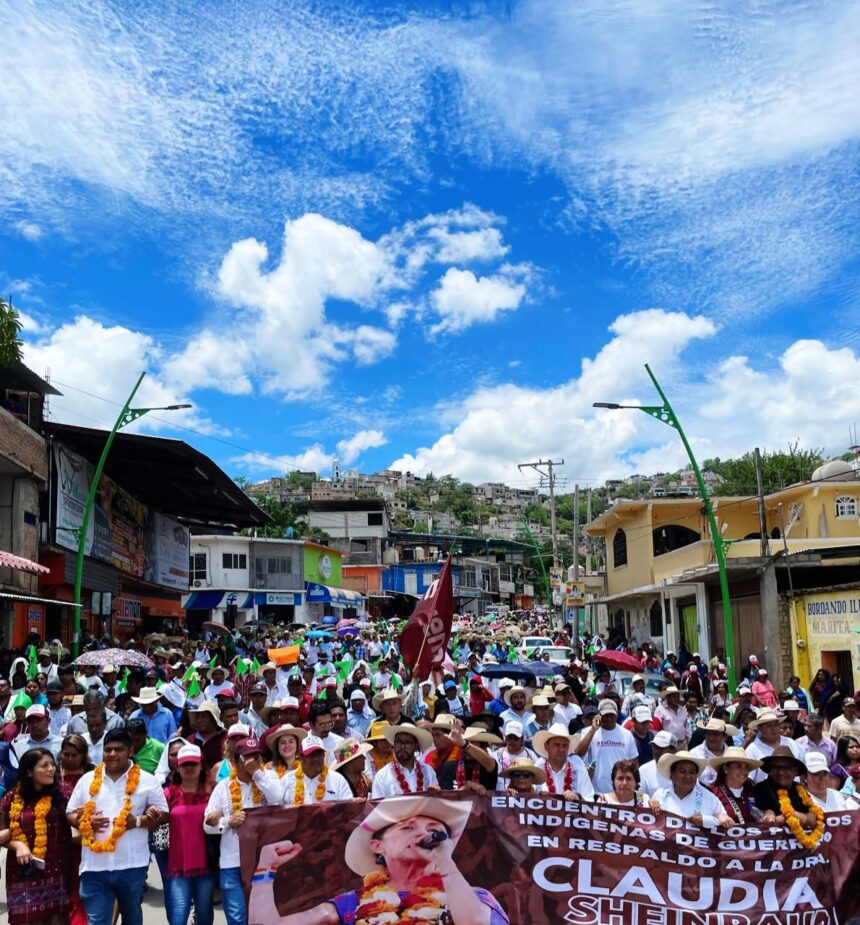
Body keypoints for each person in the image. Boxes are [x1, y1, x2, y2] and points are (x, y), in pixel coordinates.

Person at [249, 795, 509, 924]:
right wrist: (264, 871)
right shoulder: (351, 903)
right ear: (377, 846)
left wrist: (446, 863)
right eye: (407, 827)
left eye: (433, 830)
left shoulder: (474, 897)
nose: (423, 833)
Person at [66, 728, 169, 925]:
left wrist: (138, 821)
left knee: (131, 919)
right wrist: (83, 822)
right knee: (96, 921)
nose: (112, 754)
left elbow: (163, 814)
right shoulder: (87, 780)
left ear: (130, 751)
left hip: (131, 865)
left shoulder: (147, 780)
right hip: (93, 866)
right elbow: (69, 812)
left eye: (118, 750)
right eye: (108, 750)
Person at [0, 747, 73, 925]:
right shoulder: (12, 797)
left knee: (56, 920)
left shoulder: (63, 794)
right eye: (44, 765)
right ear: (29, 772)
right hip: (22, 872)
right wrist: (18, 846)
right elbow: (1, 834)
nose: (51, 769)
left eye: (52, 765)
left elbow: (78, 823)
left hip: (56, 871)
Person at [204, 735, 271, 925]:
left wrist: (258, 774)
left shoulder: (266, 779)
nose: (252, 762)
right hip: (232, 862)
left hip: (262, 862)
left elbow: (279, 798)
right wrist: (227, 821)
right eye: (247, 758)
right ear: (234, 761)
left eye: (256, 757)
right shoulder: (222, 788)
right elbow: (206, 826)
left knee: (261, 918)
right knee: (237, 918)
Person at [164, 744, 216, 925]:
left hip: (206, 864)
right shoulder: (168, 794)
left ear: (201, 765)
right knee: (178, 915)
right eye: (185, 764)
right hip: (178, 865)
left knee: (203, 914)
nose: (189, 768)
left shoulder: (213, 793)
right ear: (177, 767)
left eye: (193, 764)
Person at [752, 747, 823, 842]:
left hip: (800, 848)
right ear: (770, 769)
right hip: (772, 847)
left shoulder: (799, 789)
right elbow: (765, 821)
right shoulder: (761, 788)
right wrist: (791, 817)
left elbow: (813, 818)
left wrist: (803, 817)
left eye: (786, 768)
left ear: (795, 771)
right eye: (776, 767)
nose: (780, 772)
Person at [651, 751, 732, 828]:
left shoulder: (710, 798)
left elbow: (726, 822)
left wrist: (705, 821)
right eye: (682, 771)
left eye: (692, 772)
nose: (688, 776)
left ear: (696, 775)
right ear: (672, 774)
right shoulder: (660, 795)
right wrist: (650, 807)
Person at [577, 699, 638, 795]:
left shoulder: (627, 734)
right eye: (605, 716)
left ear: (617, 714)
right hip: (595, 792)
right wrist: (593, 730)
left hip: (620, 792)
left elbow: (634, 762)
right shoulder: (588, 732)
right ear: (599, 715)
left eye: (611, 715)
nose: (608, 719)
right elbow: (578, 753)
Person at [371, 725, 438, 798]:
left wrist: (437, 794)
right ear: (394, 744)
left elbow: (436, 802)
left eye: (407, 743)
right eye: (399, 742)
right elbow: (377, 807)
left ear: (416, 746)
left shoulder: (428, 772)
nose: (402, 747)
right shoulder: (382, 776)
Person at [533, 723, 594, 800]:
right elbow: (528, 796)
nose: (561, 749)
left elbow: (589, 798)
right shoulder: (539, 765)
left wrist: (577, 798)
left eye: (565, 745)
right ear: (546, 746)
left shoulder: (577, 764)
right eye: (557, 745)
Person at [707, 747, 762, 824]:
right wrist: (717, 816)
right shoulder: (713, 793)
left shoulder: (754, 789)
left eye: (746, 767)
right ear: (726, 768)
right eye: (738, 766)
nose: (744, 771)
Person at [638, 731, 677, 796]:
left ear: (673, 750)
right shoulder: (643, 771)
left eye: (661, 748)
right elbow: (639, 798)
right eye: (654, 746)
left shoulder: (683, 770)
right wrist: (650, 803)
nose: (656, 751)